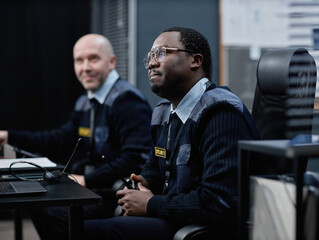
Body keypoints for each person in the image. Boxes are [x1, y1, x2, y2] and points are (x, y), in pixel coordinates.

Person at [84, 27, 260, 240]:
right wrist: (144, 182)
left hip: (204, 229)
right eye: (149, 57)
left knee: (85, 230)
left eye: (161, 53)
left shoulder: (221, 112)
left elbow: (219, 201)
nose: (151, 63)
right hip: (173, 218)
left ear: (195, 60)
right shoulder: (163, 111)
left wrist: (150, 204)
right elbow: (155, 168)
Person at [0, 33, 153, 239]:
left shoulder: (127, 101)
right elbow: (59, 139)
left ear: (112, 62)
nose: (85, 67)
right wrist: (9, 137)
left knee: (51, 212)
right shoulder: (85, 101)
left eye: (93, 58)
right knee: (39, 205)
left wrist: (87, 180)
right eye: (79, 60)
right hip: (91, 188)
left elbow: (135, 158)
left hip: (115, 194)